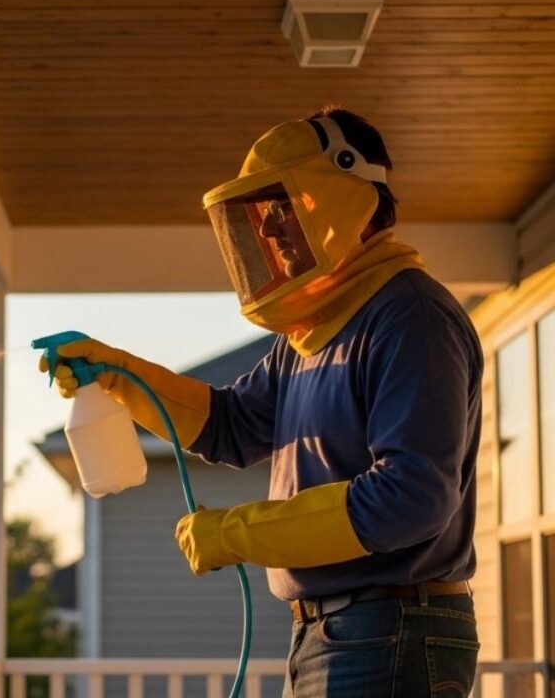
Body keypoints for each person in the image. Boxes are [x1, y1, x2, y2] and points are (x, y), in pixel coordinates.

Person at [41, 107, 482, 697]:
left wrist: (239, 532)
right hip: (346, 629)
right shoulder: (311, 334)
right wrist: (121, 375)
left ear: (345, 198)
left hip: (392, 624)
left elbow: (412, 497)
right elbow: (230, 426)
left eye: (281, 207)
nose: (269, 232)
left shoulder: (409, 317)